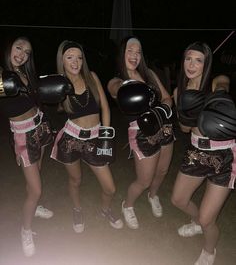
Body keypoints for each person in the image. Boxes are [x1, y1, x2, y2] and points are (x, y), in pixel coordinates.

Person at [171, 41, 236, 265]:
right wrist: (187, 111)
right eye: (189, 58)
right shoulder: (179, 90)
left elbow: (224, 86)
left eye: (198, 60)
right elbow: (184, 129)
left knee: (209, 218)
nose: (192, 64)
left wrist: (217, 98)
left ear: (206, 64)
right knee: (178, 199)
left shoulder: (215, 82)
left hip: (223, 155)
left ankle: (209, 251)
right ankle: (196, 222)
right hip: (197, 150)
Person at [50, 40, 123, 233]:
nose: (75, 62)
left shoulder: (92, 77)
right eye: (70, 57)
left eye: (79, 57)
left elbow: (105, 108)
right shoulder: (60, 84)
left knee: (110, 188)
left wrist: (106, 136)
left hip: (95, 137)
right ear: (62, 60)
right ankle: (77, 209)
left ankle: (105, 210)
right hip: (71, 139)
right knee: (76, 180)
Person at [107, 36, 174, 229]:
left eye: (138, 52)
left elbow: (167, 98)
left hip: (164, 126)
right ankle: (127, 205)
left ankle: (153, 196)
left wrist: (160, 111)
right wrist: (124, 87)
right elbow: (116, 90)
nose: (135, 55)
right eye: (130, 51)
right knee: (144, 180)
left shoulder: (149, 73)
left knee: (162, 171)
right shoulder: (117, 79)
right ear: (122, 53)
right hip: (141, 133)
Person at [0, 36, 54, 257]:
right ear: (9, 48)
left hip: (40, 125)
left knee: (36, 177)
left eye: (27, 52)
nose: (21, 54)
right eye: (18, 48)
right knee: (36, 188)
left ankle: (35, 204)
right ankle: (26, 229)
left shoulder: (26, 74)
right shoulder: (1, 74)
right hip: (22, 134)